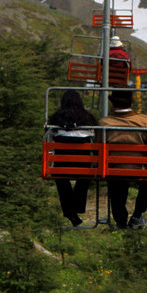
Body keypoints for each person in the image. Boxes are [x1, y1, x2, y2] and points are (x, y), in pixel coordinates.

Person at [99, 90, 147, 229]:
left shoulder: (103, 123)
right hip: (139, 169)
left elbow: (97, 147)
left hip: (114, 169)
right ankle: (137, 215)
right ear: (132, 100)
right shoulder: (144, 121)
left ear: (112, 101)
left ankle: (120, 221)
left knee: (116, 182)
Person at [47, 89, 97, 227]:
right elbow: (93, 138)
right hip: (83, 165)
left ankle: (70, 212)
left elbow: (50, 139)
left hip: (62, 165)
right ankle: (77, 207)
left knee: (61, 178)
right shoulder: (89, 118)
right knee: (85, 177)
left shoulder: (55, 119)